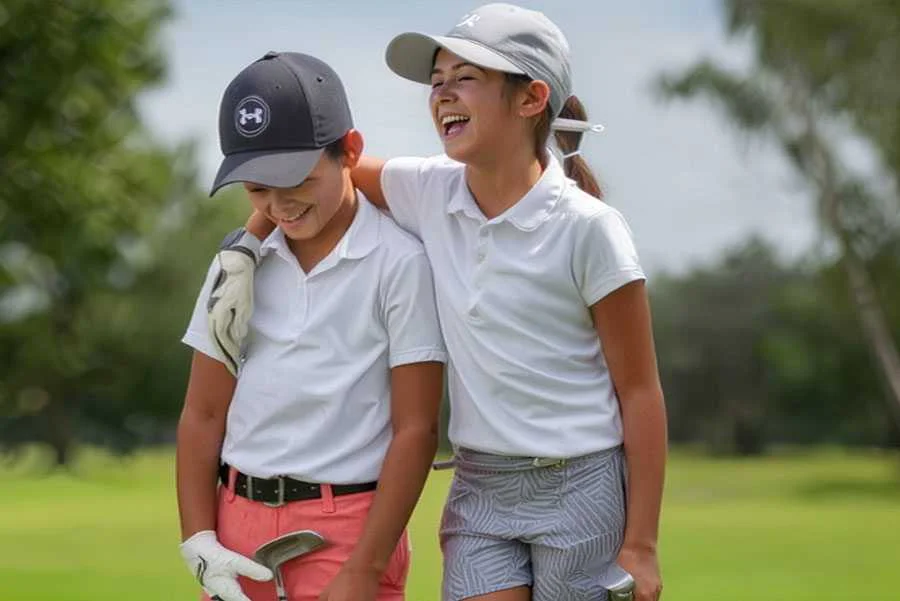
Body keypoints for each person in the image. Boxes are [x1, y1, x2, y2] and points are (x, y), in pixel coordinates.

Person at [210, 4, 667, 600]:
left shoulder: (590, 228)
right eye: (436, 83)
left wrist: (643, 545)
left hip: (580, 483)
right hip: (480, 485)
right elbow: (314, 174)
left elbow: (639, 392)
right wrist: (245, 248)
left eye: (465, 79)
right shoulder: (429, 188)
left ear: (530, 99)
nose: (442, 95)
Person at [177, 51, 446, 601]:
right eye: (256, 188)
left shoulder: (399, 262)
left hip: (349, 530)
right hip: (235, 528)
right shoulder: (238, 266)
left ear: (350, 151)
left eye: (295, 178)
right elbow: (203, 412)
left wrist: (365, 569)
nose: (278, 205)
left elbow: (415, 430)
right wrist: (198, 537)